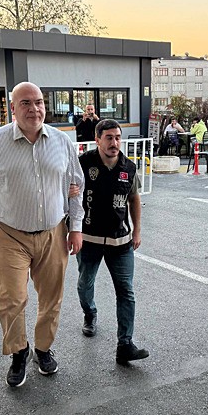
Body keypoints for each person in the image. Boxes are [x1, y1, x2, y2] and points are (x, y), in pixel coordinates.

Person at [0, 81, 84, 388]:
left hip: (53, 233)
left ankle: (43, 349)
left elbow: (76, 188)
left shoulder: (62, 142)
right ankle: (19, 352)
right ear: (13, 108)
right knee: (11, 299)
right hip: (9, 235)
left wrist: (76, 228)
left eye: (39, 102)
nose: (35, 109)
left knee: (52, 299)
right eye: (26, 103)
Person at [76, 119, 149, 365]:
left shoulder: (129, 167)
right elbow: (70, 196)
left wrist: (137, 231)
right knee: (85, 284)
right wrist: (70, 229)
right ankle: (90, 313)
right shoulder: (83, 163)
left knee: (126, 292)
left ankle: (125, 345)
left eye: (117, 137)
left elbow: (134, 199)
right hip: (89, 240)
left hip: (121, 241)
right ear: (97, 140)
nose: (114, 142)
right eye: (108, 137)